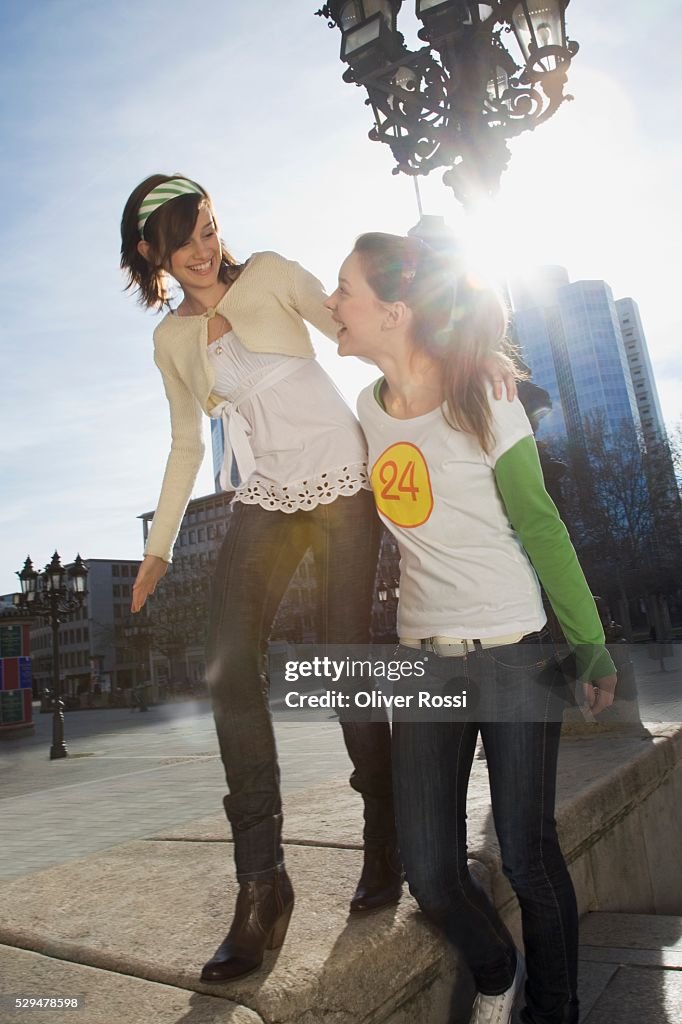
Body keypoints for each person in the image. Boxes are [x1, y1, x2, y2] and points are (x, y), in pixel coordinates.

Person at [325, 232, 618, 1024]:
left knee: (525, 851)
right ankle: (497, 967)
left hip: (516, 653)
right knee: (429, 868)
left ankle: (553, 1008)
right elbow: (283, 303)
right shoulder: (366, 405)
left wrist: (590, 645)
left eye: (343, 288)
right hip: (425, 661)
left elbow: (541, 523)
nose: (331, 302)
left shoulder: (484, 394)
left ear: (394, 310)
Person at [119, 175, 400, 982]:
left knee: (344, 665)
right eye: (185, 240)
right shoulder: (170, 342)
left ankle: (384, 835)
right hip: (268, 494)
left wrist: (438, 369)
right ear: (153, 253)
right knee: (227, 661)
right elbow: (185, 444)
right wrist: (160, 550)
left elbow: (348, 329)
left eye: (209, 227)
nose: (205, 250)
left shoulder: (271, 273)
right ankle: (262, 883)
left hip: (345, 482)